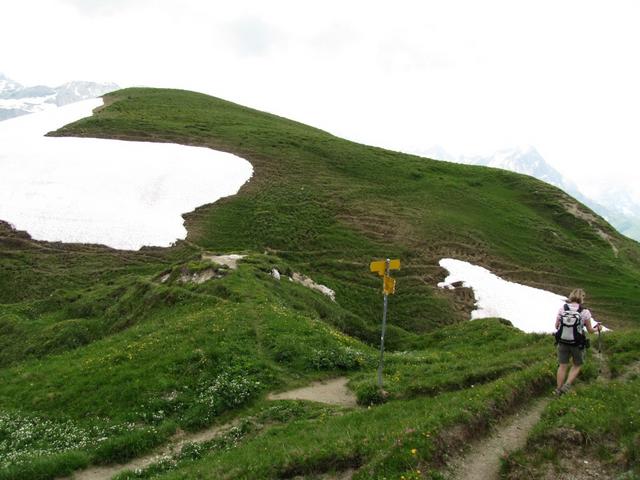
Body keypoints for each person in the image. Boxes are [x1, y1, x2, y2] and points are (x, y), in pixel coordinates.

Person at [554, 288, 602, 395]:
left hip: (562, 342)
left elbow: (557, 326)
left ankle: (558, 389)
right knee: (577, 364)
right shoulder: (585, 312)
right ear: (582, 298)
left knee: (562, 366)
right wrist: (597, 329)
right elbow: (590, 330)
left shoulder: (562, 309)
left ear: (571, 296)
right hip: (577, 343)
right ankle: (567, 385)